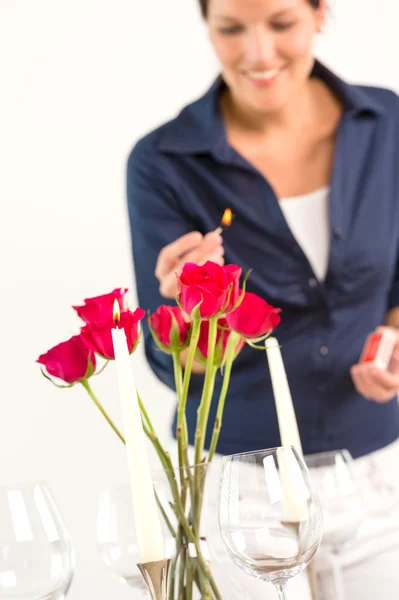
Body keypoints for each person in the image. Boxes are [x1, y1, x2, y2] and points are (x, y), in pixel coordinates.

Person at [126, 0, 399, 597]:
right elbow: (171, 365)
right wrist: (189, 320)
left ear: (320, 13)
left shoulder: (388, 124)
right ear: (206, 25)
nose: (258, 53)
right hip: (233, 487)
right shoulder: (163, 163)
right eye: (230, 29)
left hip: (375, 472)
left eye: (281, 24)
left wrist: (395, 339)